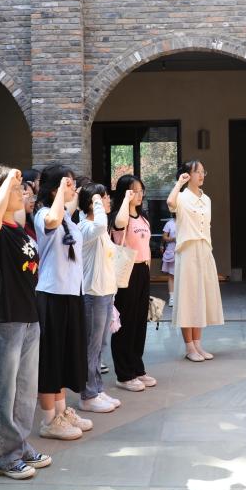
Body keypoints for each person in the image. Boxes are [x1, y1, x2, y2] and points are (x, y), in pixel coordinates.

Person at [0, 166, 52, 480]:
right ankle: (4, 456)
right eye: (13, 189)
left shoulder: (18, 228)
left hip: (27, 317)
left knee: (24, 391)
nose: (21, 193)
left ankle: (19, 446)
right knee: (2, 392)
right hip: (2, 318)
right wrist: (7, 177)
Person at [33, 165, 92, 439]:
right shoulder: (44, 214)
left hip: (71, 294)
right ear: (55, 189)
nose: (73, 188)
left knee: (66, 356)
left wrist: (70, 193)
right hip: (51, 294)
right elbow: (52, 221)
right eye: (68, 183)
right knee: (50, 359)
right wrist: (59, 192)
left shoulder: (67, 216)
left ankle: (61, 411)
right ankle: (48, 420)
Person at [167, 161, 224, 362]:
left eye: (203, 171)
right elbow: (170, 203)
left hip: (204, 249)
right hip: (187, 250)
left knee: (201, 297)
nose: (201, 175)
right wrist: (179, 183)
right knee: (187, 298)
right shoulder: (181, 196)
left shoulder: (206, 199)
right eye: (197, 172)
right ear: (187, 175)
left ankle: (198, 344)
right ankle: (189, 346)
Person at [77, 183, 122, 412]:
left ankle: (97, 388)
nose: (107, 201)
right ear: (91, 202)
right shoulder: (85, 226)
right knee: (91, 346)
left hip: (105, 292)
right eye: (103, 197)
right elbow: (101, 223)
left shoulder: (99, 228)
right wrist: (95, 198)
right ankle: (87, 395)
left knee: (100, 345)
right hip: (93, 294)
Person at [110, 174, 156, 390]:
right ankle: (124, 374)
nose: (139, 195)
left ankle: (137, 368)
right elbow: (119, 223)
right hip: (126, 271)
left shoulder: (143, 217)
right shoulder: (120, 216)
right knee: (126, 323)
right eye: (133, 191)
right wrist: (126, 201)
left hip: (142, 270)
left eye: (140, 190)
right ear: (125, 193)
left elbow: (146, 245)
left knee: (139, 322)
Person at [161, 213, 177, 306]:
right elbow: (164, 237)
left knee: (183, 275)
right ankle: (172, 297)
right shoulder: (169, 223)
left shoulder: (186, 222)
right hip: (172, 251)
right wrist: (173, 239)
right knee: (171, 275)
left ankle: (182, 297)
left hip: (183, 251)